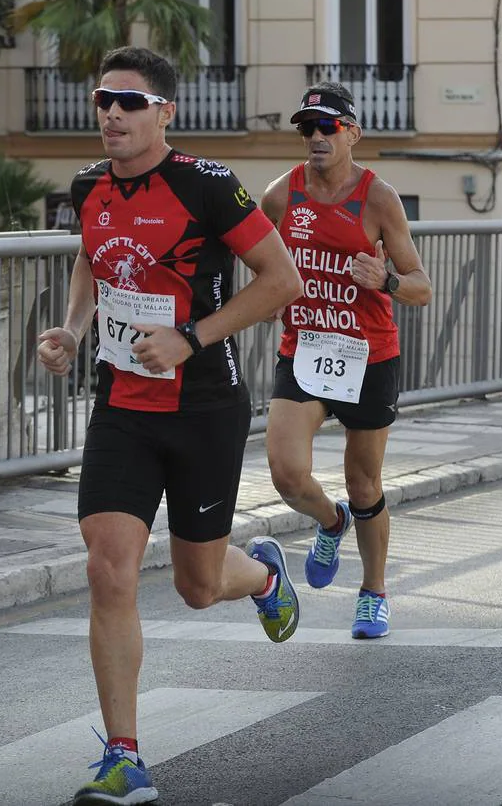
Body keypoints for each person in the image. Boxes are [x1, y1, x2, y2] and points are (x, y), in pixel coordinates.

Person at [36, 46, 303, 806]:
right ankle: (124, 758)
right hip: (122, 407)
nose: (111, 114)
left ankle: (262, 575)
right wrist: (71, 328)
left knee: (197, 584)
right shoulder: (88, 186)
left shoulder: (207, 185)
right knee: (108, 567)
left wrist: (192, 336)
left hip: (204, 409)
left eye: (129, 102)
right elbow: (95, 259)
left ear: (164, 113)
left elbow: (280, 281)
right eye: (101, 101)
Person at [260, 83, 432, 640]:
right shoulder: (280, 196)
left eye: (327, 127)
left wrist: (385, 279)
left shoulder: (378, 198)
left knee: (365, 483)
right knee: (286, 474)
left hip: (367, 353)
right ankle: (329, 521)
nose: (315, 137)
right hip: (305, 348)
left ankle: (374, 593)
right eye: (306, 127)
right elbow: (261, 265)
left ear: (352, 133)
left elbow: (421, 288)